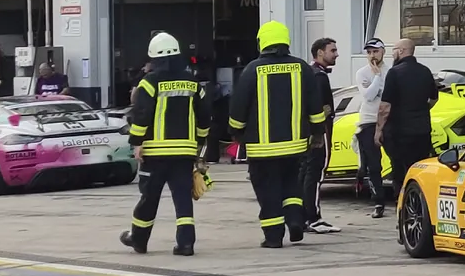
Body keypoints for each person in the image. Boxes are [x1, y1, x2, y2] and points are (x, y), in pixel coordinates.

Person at [228, 21, 326, 248]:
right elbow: (315, 106)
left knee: (267, 189)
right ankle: (294, 221)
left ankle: (273, 236)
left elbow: (238, 106)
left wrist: (236, 132)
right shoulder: (302, 68)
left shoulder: (252, 69)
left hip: (261, 149)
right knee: (292, 185)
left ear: (263, 42)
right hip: (295, 146)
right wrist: (318, 134)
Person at [120, 32, 212, 257]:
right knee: (182, 198)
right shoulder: (192, 82)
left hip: (155, 153)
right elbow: (204, 117)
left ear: (155, 58)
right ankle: (186, 244)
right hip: (184, 153)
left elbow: (142, 115)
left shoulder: (149, 83)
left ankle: (139, 240)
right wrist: (199, 144)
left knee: (149, 198)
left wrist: (137, 142)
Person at [375, 38, 438, 221]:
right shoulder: (425, 71)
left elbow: (385, 106)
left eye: (394, 49)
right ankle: (421, 209)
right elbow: (434, 98)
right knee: (420, 171)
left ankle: (403, 212)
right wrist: (421, 110)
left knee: (400, 173)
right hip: (422, 131)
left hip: (400, 133)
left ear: (402, 51)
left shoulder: (395, 73)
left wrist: (378, 130)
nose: (392, 53)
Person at [302, 37, 341, 235]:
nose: (336, 54)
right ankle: (313, 217)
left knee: (308, 174)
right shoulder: (319, 76)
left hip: (310, 131)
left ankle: (304, 216)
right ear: (320, 53)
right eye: (332, 50)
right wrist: (320, 132)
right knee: (316, 173)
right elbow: (319, 108)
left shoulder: (309, 73)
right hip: (320, 131)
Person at [354, 38, 389, 219]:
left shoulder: (391, 71)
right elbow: (368, 96)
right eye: (368, 52)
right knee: (373, 165)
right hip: (368, 121)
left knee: (397, 161)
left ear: (383, 52)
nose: (372, 56)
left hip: (389, 120)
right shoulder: (363, 73)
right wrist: (376, 77)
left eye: (375, 51)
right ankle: (378, 202)